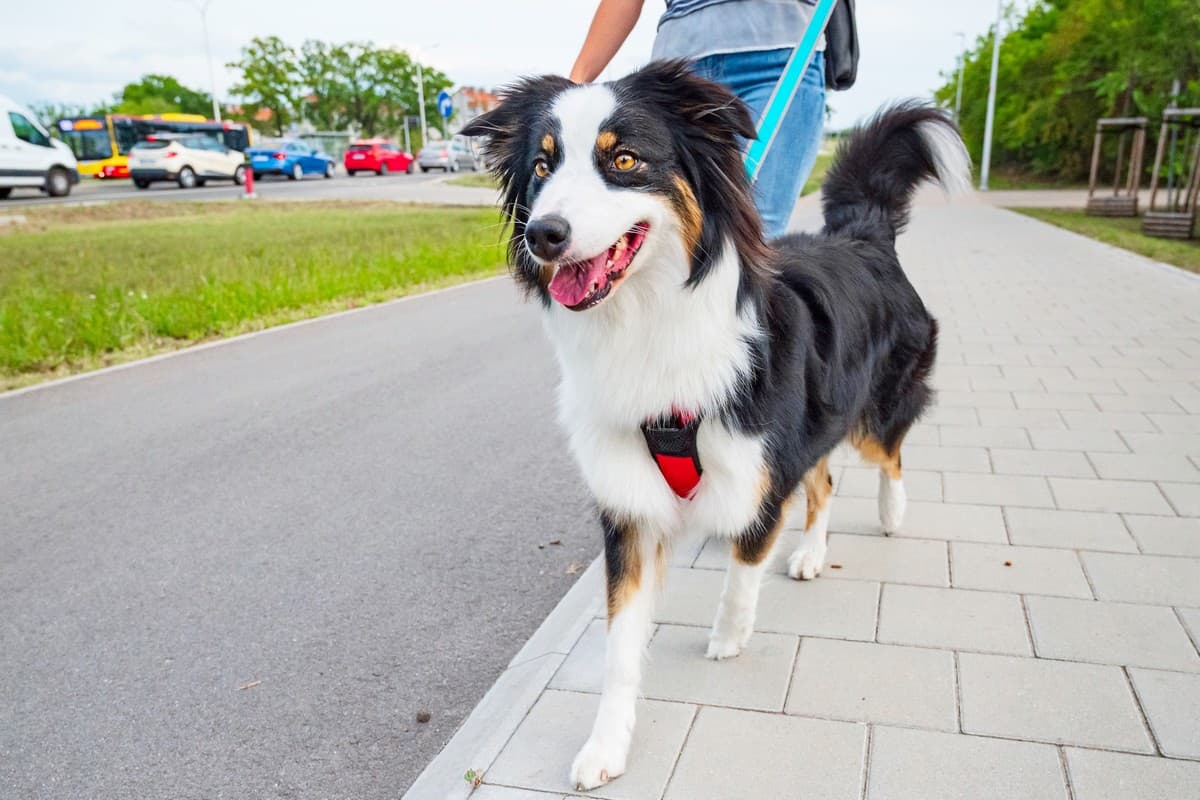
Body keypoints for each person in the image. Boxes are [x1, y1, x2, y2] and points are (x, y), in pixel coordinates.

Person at [569, 0, 828, 239]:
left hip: (782, 57)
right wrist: (575, 82)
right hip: (677, 72)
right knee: (665, 236)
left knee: (753, 229)